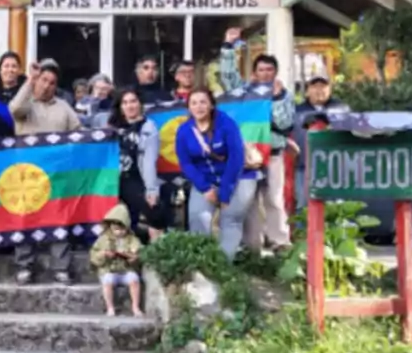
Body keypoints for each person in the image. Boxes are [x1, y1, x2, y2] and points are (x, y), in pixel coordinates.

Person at [218, 27, 296, 251]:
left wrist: (279, 98)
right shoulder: (244, 92)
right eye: (261, 70)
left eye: (270, 69)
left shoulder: (283, 94)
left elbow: (284, 123)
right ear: (254, 73)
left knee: (274, 200)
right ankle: (252, 245)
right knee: (249, 202)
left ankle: (280, 242)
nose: (265, 73)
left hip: (272, 155)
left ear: (275, 72)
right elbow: (228, 76)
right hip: (248, 157)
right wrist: (228, 47)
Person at [9, 61, 82, 285]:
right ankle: (24, 266)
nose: (47, 86)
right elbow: (14, 109)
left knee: (58, 219)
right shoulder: (26, 104)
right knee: (25, 218)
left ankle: (60, 267)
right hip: (27, 173)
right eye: (43, 80)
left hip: (56, 174)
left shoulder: (63, 107)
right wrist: (29, 82)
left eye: (52, 83)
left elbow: (79, 133)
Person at [175, 88, 258, 259]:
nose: (199, 107)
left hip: (238, 178)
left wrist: (225, 194)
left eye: (203, 102)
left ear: (211, 105)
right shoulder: (184, 131)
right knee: (198, 217)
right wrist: (205, 188)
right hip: (206, 180)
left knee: (230, 219)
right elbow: (186, 163)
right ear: (189, 107)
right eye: (194, 103)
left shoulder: (226, 124)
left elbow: (236, 159)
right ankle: (202, 262)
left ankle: (223, 264)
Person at [106, 88, 166, 242]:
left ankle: (156, 255)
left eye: (133, 101)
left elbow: (149, 160)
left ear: (140, 104)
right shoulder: (111, 126)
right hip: (113, 180)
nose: (129, 106)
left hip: (136, 178)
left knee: (155, 213)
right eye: (125, 102)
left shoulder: (148, 127)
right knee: (121, 220)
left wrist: (152, 189)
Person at [292, 73, 350, 210]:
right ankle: (304, 232)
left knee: (337, 206)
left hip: (334, 167)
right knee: (303, 206)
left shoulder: (341, 108)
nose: (319, 90)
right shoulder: (297, 111)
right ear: (307, 90)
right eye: (315, 86)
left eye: (323, 86)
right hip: (303, 167)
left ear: (330, 89)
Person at [89, 203, 144, 317]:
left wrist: (133, 258)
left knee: (134, 279)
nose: (119, 232)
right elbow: (94, 255)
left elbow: (140, 252)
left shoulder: (132, 239)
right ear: (110, 227)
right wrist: (104, 254)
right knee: (107, 281)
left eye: (122, 229)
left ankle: (135, 306)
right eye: (116, 229)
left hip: (126, 270)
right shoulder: (103, 239)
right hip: (109, 270)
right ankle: (110, 307)